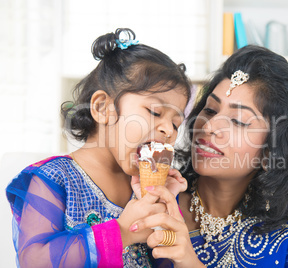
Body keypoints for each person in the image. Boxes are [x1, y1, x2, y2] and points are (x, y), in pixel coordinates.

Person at [6, 28, 191, 267]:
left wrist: (163, 209)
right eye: (155, 112)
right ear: (103, 108)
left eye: (176, 124)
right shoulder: (53, 179)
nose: (169, 130)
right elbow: (35, 260)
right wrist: (122, 231)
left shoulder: (147, 193)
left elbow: (166, 262)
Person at [130, 45, 288, 267]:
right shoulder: (154, 198)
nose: (210, 126)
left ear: (270, 151)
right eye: (210, 110)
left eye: (238, 121)